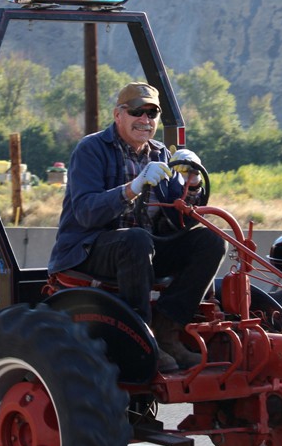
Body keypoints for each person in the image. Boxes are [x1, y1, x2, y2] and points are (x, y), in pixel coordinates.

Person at [48, 82, 226, 372]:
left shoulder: (160, 154)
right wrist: (133, 187)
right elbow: (85, 213)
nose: (145, 120)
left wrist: (191, 185)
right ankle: (142, 341)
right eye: (137, 112)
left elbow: (178, 222)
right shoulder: (91, 150)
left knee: (211, 241)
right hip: (89, 248)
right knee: (136, 239)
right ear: (119, 115)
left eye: (152, 113)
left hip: (143, 250)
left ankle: (168, 333)